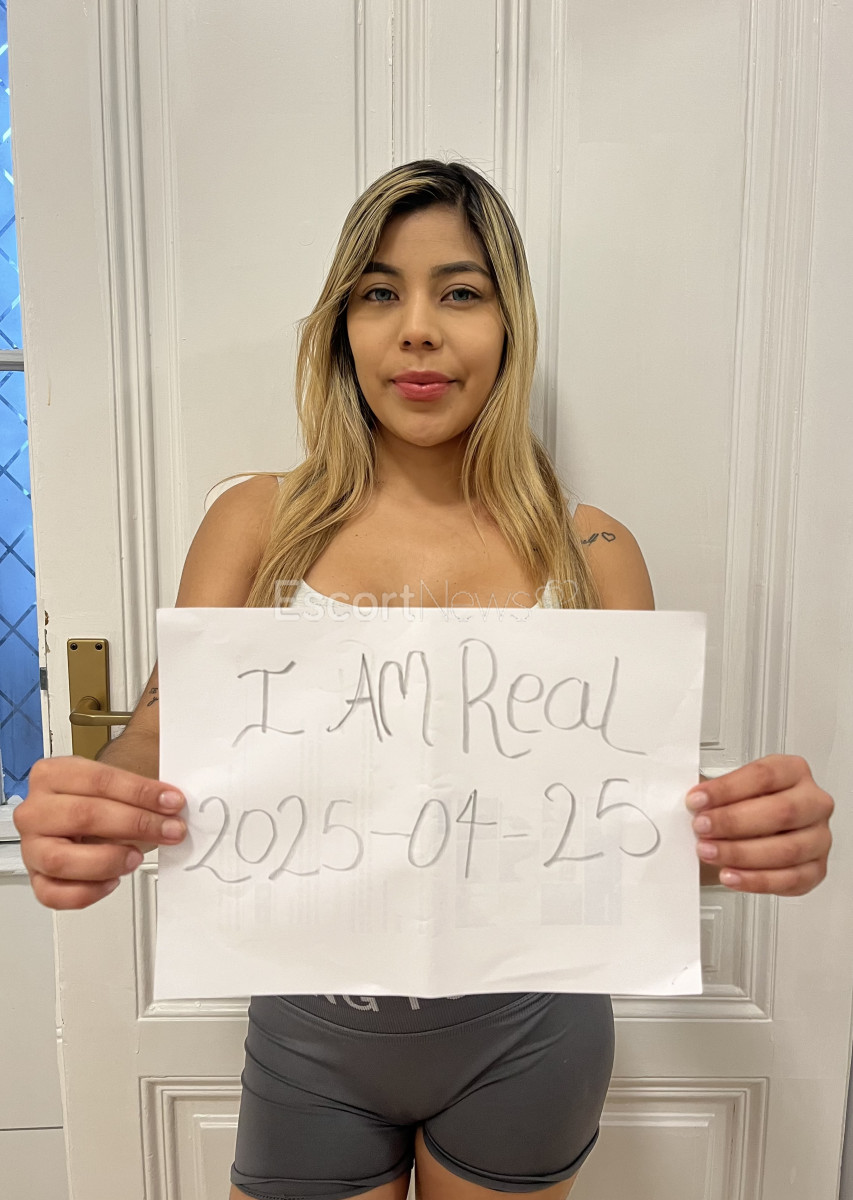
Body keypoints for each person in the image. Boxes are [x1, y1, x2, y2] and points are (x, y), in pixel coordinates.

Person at [14, 160, 834, 1200]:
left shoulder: (593, 551)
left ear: (509, 324)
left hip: (534, 1035)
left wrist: (741, 835)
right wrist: (104, 797)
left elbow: (635, 830)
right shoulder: (255, 520)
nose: (416, 330)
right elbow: (160, 731)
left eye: (459, 292)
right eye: (378, 292)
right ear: (340, 326)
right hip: (309, 1038)